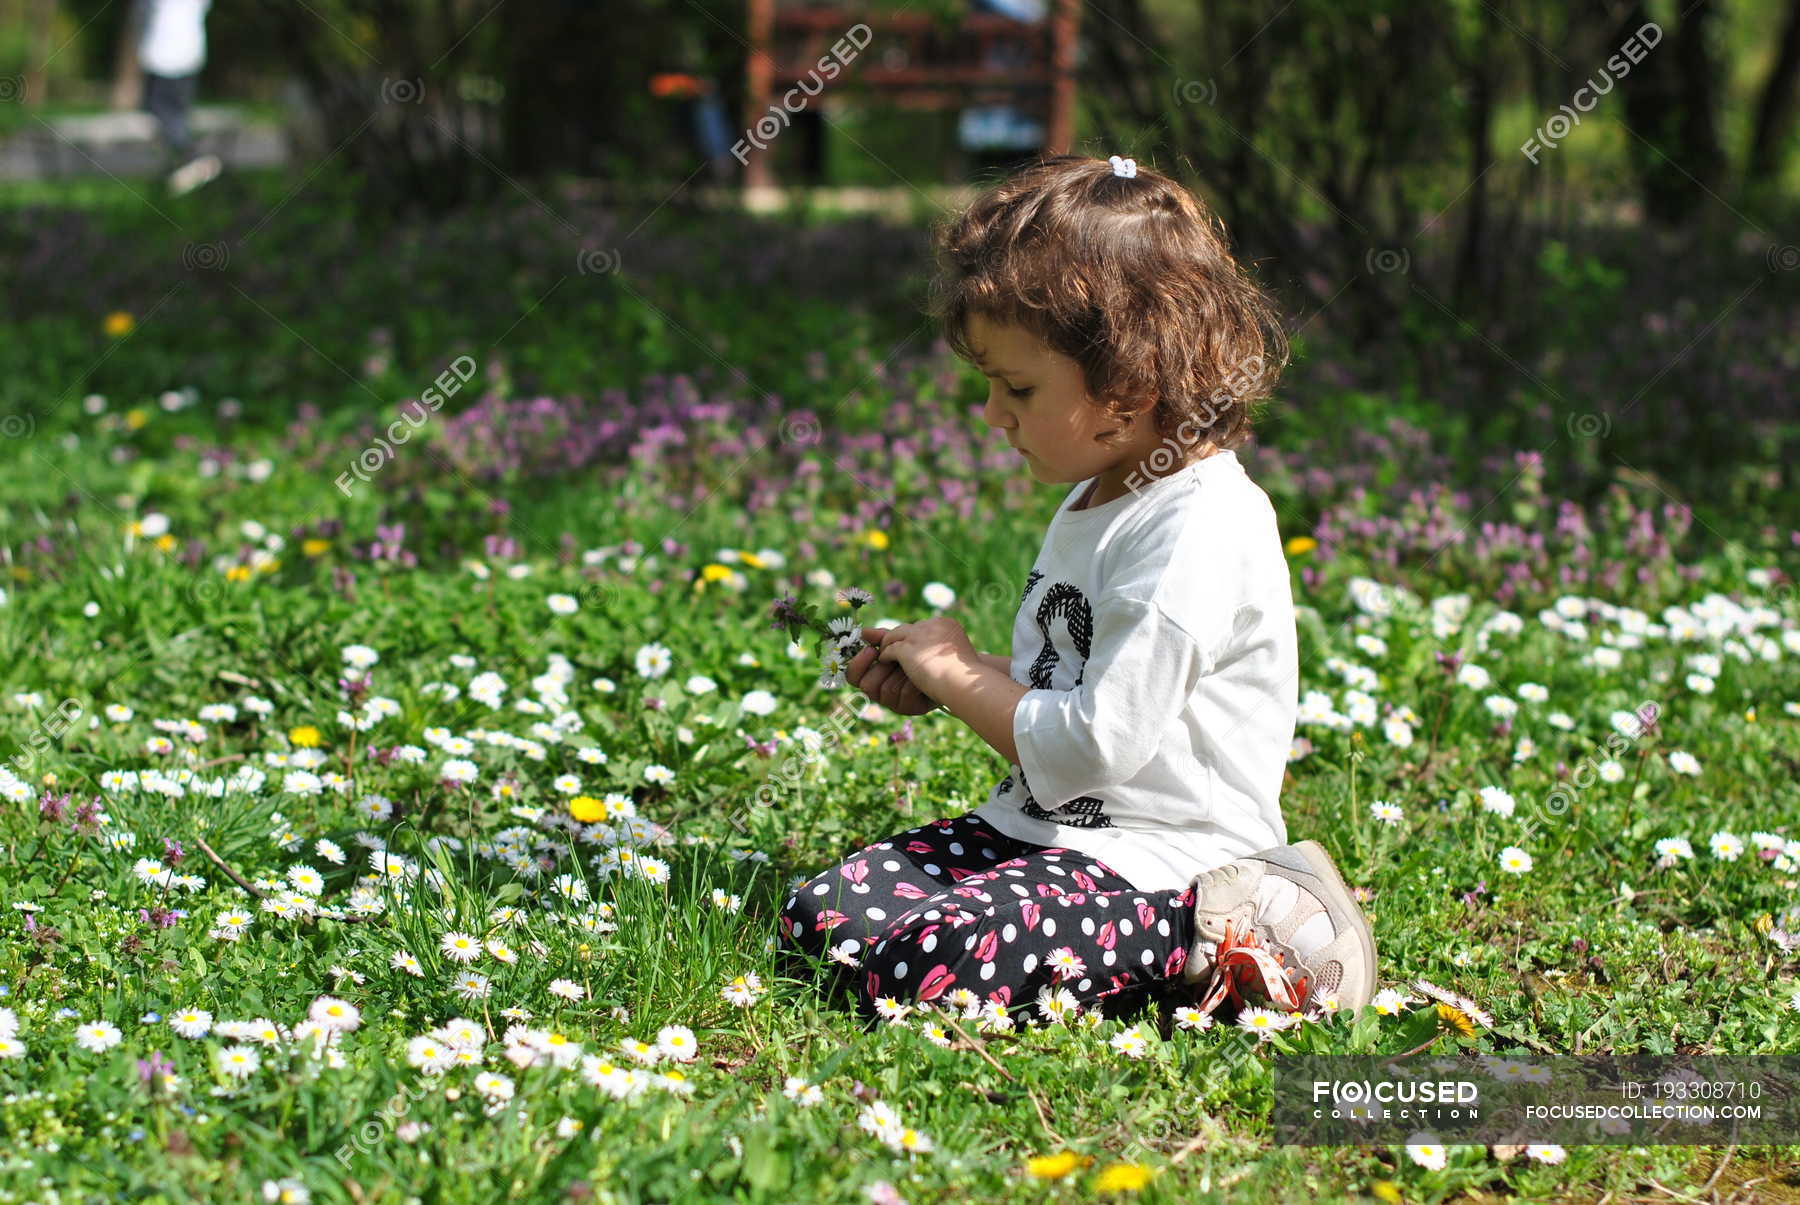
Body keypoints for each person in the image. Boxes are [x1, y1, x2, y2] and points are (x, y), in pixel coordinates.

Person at [777, 153, 1379, 1030]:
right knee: (823, 919)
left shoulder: (1195, 531)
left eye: (1017, 388)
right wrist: (959, 673)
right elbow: (1071, 696)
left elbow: (1092, 747)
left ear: (1127, 391)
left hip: (1165, 859)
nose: (992, 414)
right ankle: (1084, 941)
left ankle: (1247, 928)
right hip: (1050, 832)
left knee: (923, 963)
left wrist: (957, 673)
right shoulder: (1104, 489)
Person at [134, 0, 220, 196]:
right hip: (190, 53)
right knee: (176, 112)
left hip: (163, 54)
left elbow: (142, 12)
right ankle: (181, 163)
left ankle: (192, 157)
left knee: (160, 110)